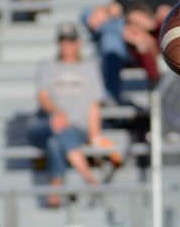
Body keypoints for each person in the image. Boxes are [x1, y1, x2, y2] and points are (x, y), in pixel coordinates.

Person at [83, 0, 180, 103]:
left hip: (152, 44)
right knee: (97, 21)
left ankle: (112, 96)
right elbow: (109, 11)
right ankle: (112, 97)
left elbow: (157, 21)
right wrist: (128, 22)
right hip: (129, 39)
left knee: (113, 37)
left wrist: (131, 21)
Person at [30, 22, 117, 208]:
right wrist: (57, 112)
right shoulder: (47, 66)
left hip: (76, 128)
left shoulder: (89, 67)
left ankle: (55, 190)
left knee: (56, 141)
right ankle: (90, 179)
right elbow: (43, 97)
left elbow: (94, 104)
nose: (66, 45)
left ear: (78, 43)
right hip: (48, 124)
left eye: (70, 41)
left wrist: (95, 135)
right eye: (62, 41)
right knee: (57, 126)